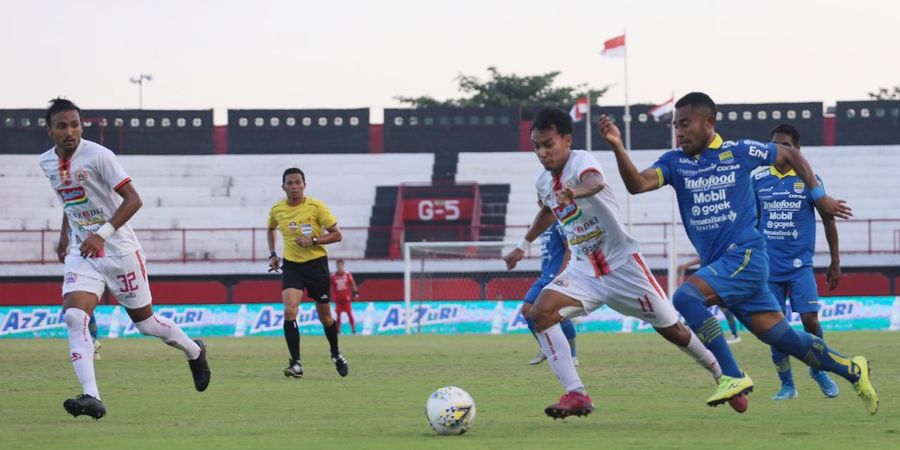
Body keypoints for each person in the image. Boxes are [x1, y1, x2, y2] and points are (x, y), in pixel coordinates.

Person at [599, 92, 877, 415]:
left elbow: (791, 155)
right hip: (728, 270)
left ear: (710, 123)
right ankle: (852, 369)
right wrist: (617, 145)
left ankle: (731, 375)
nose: (679, 132)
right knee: (788, 341)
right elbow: (637, 184)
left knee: (685, 298)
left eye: (686, 124)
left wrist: (819, 195)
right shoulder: (675, 163)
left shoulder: (740, 152)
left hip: (745, 257)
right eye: (676, 126)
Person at [503, 107, 728, 420]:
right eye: (536, 146)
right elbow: (546, 209)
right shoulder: (544, 182)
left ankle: (722, 374)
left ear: (567, 140)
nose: (542, 152)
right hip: (584, 271)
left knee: (672, 329)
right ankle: (576, 392)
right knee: (539, 313)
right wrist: (522, 245)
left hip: (622, 266)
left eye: (548, 144)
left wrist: (574, 193)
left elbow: (593, 182)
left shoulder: (580, 161)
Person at [40, 98, 210, 420]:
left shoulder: (99, 156)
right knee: (75, 318)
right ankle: (92, 396)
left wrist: (99, 234)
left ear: (81, 126)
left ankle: (195, 351)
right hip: (83, 251)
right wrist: (67, 235)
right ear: (50, 130)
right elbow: (70, 201)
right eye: (62, 126)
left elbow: (134, 200)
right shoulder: (46, 162)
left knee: (146, 324)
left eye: (74, 124)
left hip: (118, 250)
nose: (70, 131)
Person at [754, 123, 841, 400]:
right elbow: (751, 222)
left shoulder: (809, 179)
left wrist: (835, 261)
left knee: (810, 320)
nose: (781, 150)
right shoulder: (757, 180)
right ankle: (787, 385)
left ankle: (819, 369)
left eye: (787, 145)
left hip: (799, 265)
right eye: (776, 145)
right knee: (775, 327)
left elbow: (828, 219)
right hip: (768, 267)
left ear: (798, 149)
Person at [267, 168, 349, 379]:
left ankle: (336, 353)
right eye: (289, 183)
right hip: (292, 266)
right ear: (283, 186)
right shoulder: (277, 209)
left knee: (326, 318)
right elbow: (270, 229)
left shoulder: (316, 207)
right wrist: (273, 254)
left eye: (297, 183)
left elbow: (337, 235)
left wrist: (313, 240)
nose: (294, 187)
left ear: (304, 185)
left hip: (316, 266)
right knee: (290, 310)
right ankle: (296, 363)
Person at [518, 215, 578, 366]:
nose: (540, 200)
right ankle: (545, 347)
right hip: (545, 276)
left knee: (561, 315)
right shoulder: (543, 223)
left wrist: (561, 275)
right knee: (527, 310)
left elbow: (569, 249)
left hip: (556, 275)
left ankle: (572, 356)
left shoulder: (559, 222)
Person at [677, 256, 740, 344]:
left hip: (710, 279)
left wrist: (686, 265)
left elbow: (701, 258)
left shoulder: (710, 251)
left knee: (696, 303)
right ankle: (734, 334)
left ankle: (687, 328)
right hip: (709, 278)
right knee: (717, 307)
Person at [330, 259, 359, 334]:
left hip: (346, 298)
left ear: (343, 265)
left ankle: (353, 329)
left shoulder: (347, 274)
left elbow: (352, 284)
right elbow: (329, 286)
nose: (339, 266)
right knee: (338, 315)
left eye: (340, 265)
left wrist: (355, 293)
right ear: (336, 266)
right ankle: (338, 330)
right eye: (338, 265)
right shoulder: (333, 276)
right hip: (337, 299)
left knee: (349, 313)